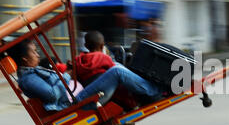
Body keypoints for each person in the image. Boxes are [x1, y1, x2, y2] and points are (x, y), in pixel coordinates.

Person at [9, 39, 162, 112]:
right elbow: (51, 95)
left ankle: (144, 90)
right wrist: (67, 76)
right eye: (34, 52)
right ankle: (154, 92)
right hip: (77, 103)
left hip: (77, 93)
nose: (37, 54)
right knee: (117, 72)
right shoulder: (28, 79)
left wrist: (67, 74)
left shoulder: (32, 73)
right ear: (24, 59)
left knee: (114, 65)